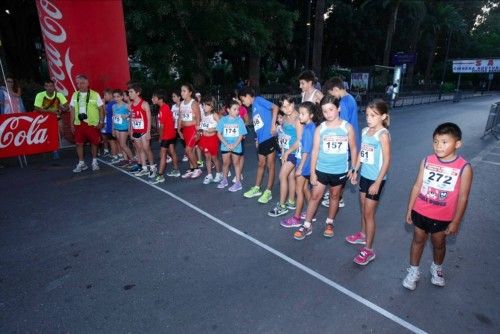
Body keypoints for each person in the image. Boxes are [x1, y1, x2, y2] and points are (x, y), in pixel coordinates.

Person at [402, 122, 473, 290]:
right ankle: (413, 270)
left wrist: (456, 221)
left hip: (443, 216)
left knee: (438, 243)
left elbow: (463, 197)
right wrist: (409, 208)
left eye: (444, 142)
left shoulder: (464, 168)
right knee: (418, 239)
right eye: (435, 141)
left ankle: (437, 267)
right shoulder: (427, 161)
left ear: (457, 144)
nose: (438, 146)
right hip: (421, 210)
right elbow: (417, 186)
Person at [293, 95, 358, 240]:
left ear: (338, 108)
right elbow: (315, 150)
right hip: (321, 169)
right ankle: (307, 225)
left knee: (334, 196)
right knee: (315, 196)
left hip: (340, 170)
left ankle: (330, 222)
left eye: (331, 110)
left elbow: (353, 148)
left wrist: (353, 168)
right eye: (325, 111)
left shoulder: (347, 127)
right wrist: (312, 172)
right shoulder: (320, 129)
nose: (328, 114)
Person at [346, 99, 391, 265]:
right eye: (367, 115)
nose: (369, 118)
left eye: (373, 115)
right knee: (364, 208)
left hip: (376, 179)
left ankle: (369, 250)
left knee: (369, 214)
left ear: (383, 116)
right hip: (364, 176)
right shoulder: (365, 131)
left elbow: (386, 161)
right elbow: (361, 154)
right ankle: (363, 235)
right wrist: (355, 170)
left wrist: (378, 182)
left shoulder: (383, 135)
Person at [322, 77, 361, 209]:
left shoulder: (343, 103)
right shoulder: (350, 98)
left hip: (345, 140)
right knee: (343, 167)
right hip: (351, 138)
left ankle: (338, 197)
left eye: (331, 94)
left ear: (336, 89)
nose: (331, 97)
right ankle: (337, 196)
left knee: (342, 169)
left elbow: (339, 123)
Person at [281, 101, 321, 228]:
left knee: (299, 191)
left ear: (311, 115)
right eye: (300, 114)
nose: (300, 116)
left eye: (303, 114)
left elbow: (306, 151)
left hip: (304, 164)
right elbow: (299, 143)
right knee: (304, 188)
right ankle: (311, 212)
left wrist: (300, 168)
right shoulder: (309, 127)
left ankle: (296, 218)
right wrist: (288, 151)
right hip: (305, 164)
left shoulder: (309, 130)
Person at [240, 87, 279, 204]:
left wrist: (273, 125)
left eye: (242, 99)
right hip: (261, 140)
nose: (243, 102)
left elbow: (275, 107)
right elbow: (258, 125)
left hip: (269, 137)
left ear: (248, 95)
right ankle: (257, 188)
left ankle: (268, 191)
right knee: (261, 164)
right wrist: (257, 139)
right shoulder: (253, 107)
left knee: (270, 165)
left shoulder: (258, 100)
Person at [268, 95, 303, 217]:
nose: (286, 108)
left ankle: (282, 206)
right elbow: (284, 136)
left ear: (293, 104)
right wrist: (283, 152)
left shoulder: (298, 119)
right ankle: (292, 201)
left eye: (289, 105)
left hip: (295, 153)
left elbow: (299, 140)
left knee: (282, 175)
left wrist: (287, 153)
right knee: (290, 176)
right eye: (283, 106)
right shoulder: (285, 118)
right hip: (286, 152)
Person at [69, 75, 105, 172]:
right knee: (78, 144)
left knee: (94, 143)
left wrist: (101, 122)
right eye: (78, 83)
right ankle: (81, 163)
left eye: (82, 83)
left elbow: (101, 109)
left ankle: (94, 162)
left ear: (87, 83)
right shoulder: (75, 95)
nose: (80, 85)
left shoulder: (95, 94)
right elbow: (72, 110)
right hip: (79, 124)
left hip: (92, 123)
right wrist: (71, 124)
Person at [216, 99, 247, 192]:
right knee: (225, 163)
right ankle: (224, 180)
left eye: (238, 109)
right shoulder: (223, 120)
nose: (237, 111)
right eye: (235, 109)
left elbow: (241, 135)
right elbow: (219, 133)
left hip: (236, 145)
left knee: (236, 164)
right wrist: (226, 144)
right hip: (225, 145)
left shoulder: (240, 120)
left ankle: (238, 183)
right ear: (228, 110)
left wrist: (234, 145)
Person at [33, 78, 69, 159]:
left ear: (54, 86)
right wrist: (50, 111)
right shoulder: (40, 95)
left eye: (51, 86)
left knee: (61, 132)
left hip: (57, 117)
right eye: (47, 86)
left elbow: (67, 106)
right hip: (44, 119)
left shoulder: (59, 95)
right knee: (48, 134)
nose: (49, 88)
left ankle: (55, 145)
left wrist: (63, 109)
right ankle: (54, 149)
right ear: (44, 87)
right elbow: (37, 107)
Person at [151, 89, 179, 184]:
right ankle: (176, 170)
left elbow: (162, 126)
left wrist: (160, 137)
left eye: (154, 97)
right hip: (171, 134)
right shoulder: (165, 107)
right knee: (172, 151)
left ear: (160, 99)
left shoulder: (163, 108)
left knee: (162, 154)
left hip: (166, 136)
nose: (152, 99)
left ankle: (160, 175)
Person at [128, 83, 156, 178]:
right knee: (140, 150)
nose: (129, 94)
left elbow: (148, 119)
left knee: (146, 149)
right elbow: (132, 118)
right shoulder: (131, 105)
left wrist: (148, 132)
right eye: (129, 92)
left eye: (131, 92)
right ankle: (144, 168)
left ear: (137, 93)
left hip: (144, 131)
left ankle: (152, 168)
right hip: (136, 131)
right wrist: (131, 131)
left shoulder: (144, 104)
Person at [178, 84, 202, 179]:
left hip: (193, 130)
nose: (182, 93)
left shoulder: (194, 103)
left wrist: (198, 131)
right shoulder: (181, 104)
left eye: (184, 91)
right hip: (185, 130)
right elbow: (180, 117)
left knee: (188, 150)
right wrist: (179, 129)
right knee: (188, 151)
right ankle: (191, 169)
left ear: (190, 93)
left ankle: (197, 169)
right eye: (181, 91)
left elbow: (199, 118)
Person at [199, 96, 222, 184]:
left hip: (212, 139)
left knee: (214, 157)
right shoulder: (203, 115)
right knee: (207, 157)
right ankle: (209, 175)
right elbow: (202, 125)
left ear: (212, 106)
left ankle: (218, 173)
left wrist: (212, 130)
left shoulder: (214, 115)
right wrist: (200, 129)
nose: (204, 107)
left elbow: (220, 126)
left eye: (206, 105)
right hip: (204, 139)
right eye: (203, 105)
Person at [111, 89, 134, 166]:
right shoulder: (114, 106)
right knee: (121, 145)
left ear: (121, 97)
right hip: (117, 127)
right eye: (114, 97)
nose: (116, 98)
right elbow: (114, 117)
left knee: (123, 144)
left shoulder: (126, 105)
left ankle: (133, 160)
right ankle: (125, 160)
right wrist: (113, 129)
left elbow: (133, 113)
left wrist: (127, 115)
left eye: (118, 97)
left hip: (124, 127)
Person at [102, 89, 119, 161]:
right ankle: (118, 155)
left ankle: (115, 156)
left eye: (105, 95)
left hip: (111, 125)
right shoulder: (114, 103)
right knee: (116, 141)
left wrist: (102, 104)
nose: (104, 97)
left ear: (110, 95)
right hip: (113, 124)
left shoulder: (111, 104)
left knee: (112, 141)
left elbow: (105, 112)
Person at [171, 90, 188, 165]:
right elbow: (172, 117)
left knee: (184, 141)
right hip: (174, 127)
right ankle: (172, 156)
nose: (173, 98)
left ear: (179, 97)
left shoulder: (183, 105)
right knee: (172, 142)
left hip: (182, 126)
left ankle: (187, 154)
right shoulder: (173, 106)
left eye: (174, 96)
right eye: (172, 96)